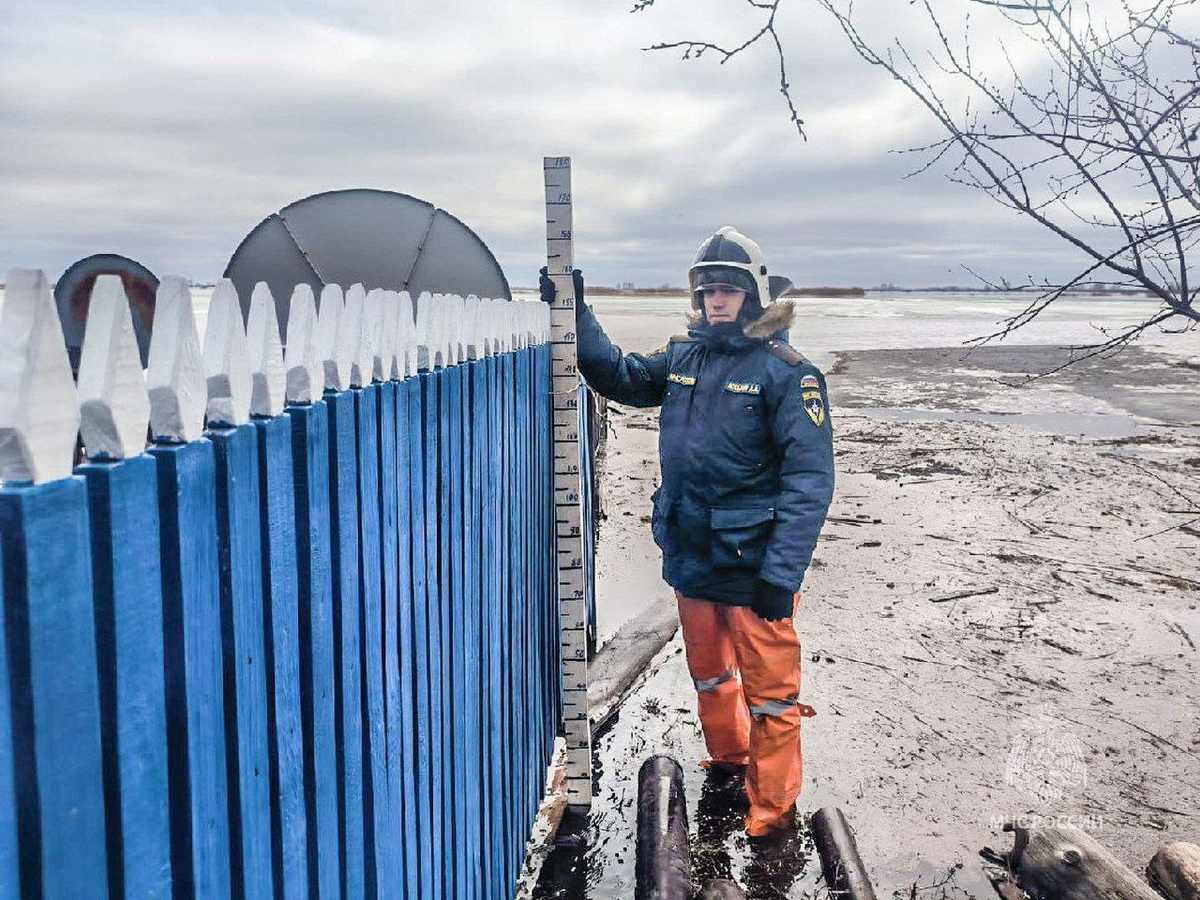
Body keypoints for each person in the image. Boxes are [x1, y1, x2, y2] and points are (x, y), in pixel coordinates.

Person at [540, 226, 835, 837]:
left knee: (773, 699)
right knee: (711, 676)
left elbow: (809, 483)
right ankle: (729, 761)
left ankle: (773, 811)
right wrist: (574, 309)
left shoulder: (789, 374)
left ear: (753, 295)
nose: (716, 301)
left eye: (728, 290)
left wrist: (782, 576)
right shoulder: (683, 357)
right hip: (693, 557)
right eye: (707, 291)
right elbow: (617, 376)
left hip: (754, 569)